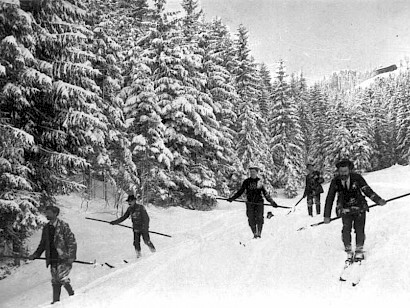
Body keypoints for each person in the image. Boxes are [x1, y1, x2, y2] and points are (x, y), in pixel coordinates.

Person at [323, 159, 386, 260]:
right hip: (344, 208)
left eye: (345, 171)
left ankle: (359, 249)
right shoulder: (335, 181)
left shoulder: (357, 178)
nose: (343, 174)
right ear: (338, 171)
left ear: (349, 170)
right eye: (341, 171)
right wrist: (327, 215)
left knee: (359, 229)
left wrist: (378, 200)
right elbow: (330, 197)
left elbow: (367, 190)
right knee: (346, 229)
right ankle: (348, 249)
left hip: (359, 207)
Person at [29, 205, 77, 304]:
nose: (47, 215)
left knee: (62, 277)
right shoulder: (46, 227)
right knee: (55, 280)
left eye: (49, 213)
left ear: (55, 214)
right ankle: (56, 301)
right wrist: (35, 255)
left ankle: (73, 296)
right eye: (46, 213)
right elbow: (43, 244)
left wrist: (71, 256)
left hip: (63, 257)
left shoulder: (63, 226)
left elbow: (71, 242)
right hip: (52, 257)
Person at [227, 166, 278, 239]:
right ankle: (255, 233)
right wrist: (232, 198)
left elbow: (265, 193)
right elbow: (240, 191)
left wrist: (272, 202)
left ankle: (259, 232)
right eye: (251, 172)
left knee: (259, 217)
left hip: (259, 202)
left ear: (257, 173)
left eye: (254, 172)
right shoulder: (246, 182)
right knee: (251, 218)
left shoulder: (260, 182)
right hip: (250, 203)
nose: (252, 173)